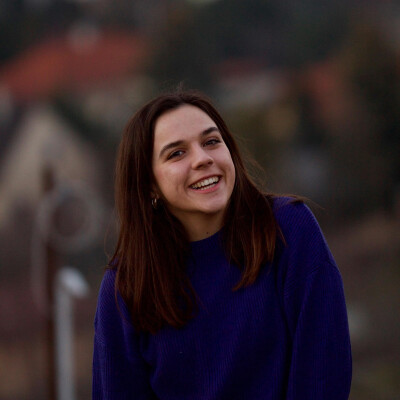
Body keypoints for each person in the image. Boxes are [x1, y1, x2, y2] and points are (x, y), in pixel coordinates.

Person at [92, 90, 352, 399]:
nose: (203, 159)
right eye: (176, 153)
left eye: (211, 142)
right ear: (150, 185)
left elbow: (324, 372)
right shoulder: (124, 288)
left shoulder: (289, 230)